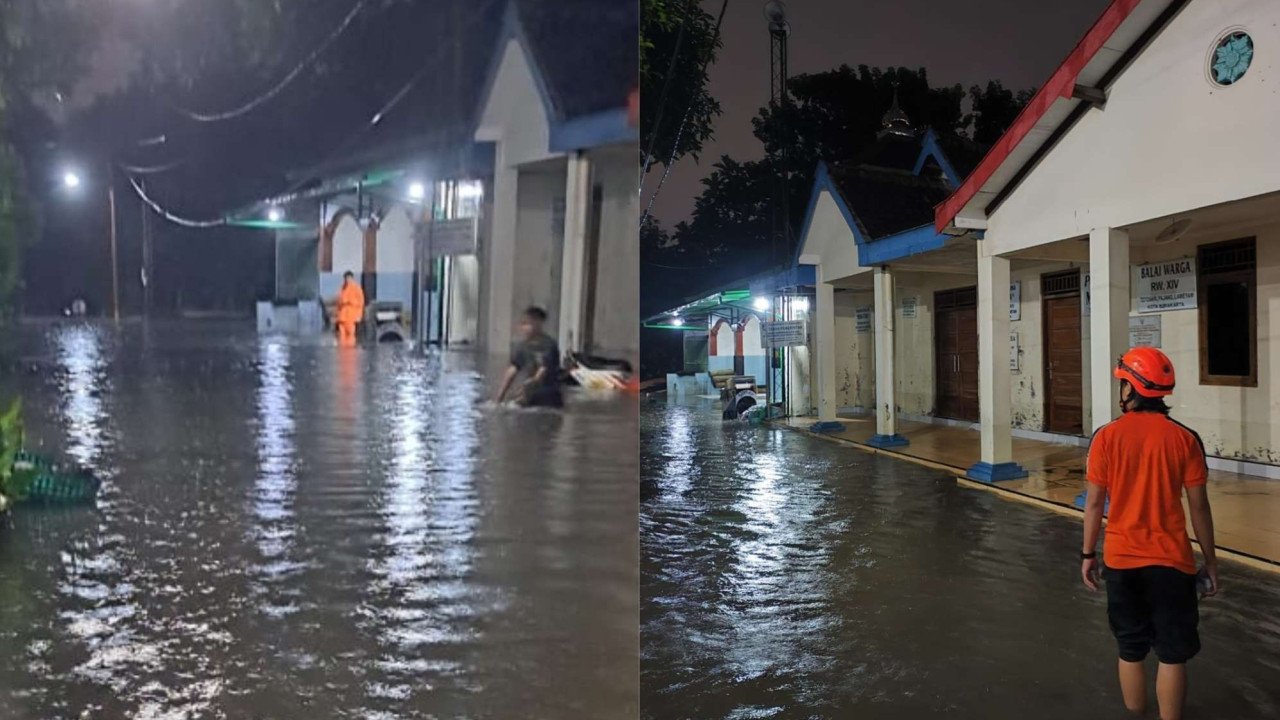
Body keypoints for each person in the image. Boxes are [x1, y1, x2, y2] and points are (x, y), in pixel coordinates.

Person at [1080, 346, 1218, 720]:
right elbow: (1199, 507)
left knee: (1130, 649)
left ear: (1131, 388)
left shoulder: (1105, 437)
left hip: (1121, 561)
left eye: (1122, 382)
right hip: (1172, 562)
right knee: (1173, 654)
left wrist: (1088, 554)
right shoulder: (1185, 439)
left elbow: (1094, 505)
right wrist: (1210, 562)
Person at [494, 306, 563, 408]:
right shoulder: (523, 346)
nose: (524, 328)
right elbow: (512, 371)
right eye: (523, 324)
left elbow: (543, 370)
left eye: (528, 324)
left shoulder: (548, 345)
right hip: (530, 395)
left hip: (548, 397)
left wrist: (527, 387)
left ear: (539, 323)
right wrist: (499, 398)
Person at [334, 271, 365, 347]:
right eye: (346, 278)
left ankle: (350, 353)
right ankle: (343, 353)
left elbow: (361, 303)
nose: (347, 280)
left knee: (350, 335)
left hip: (351, 317)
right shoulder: (342, 288)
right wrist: (337, 317)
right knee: (341, 336)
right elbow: (338, 303)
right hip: (342, 317)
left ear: (352, 278)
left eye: (349, 278)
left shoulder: (357, 288)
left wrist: (359, 316)